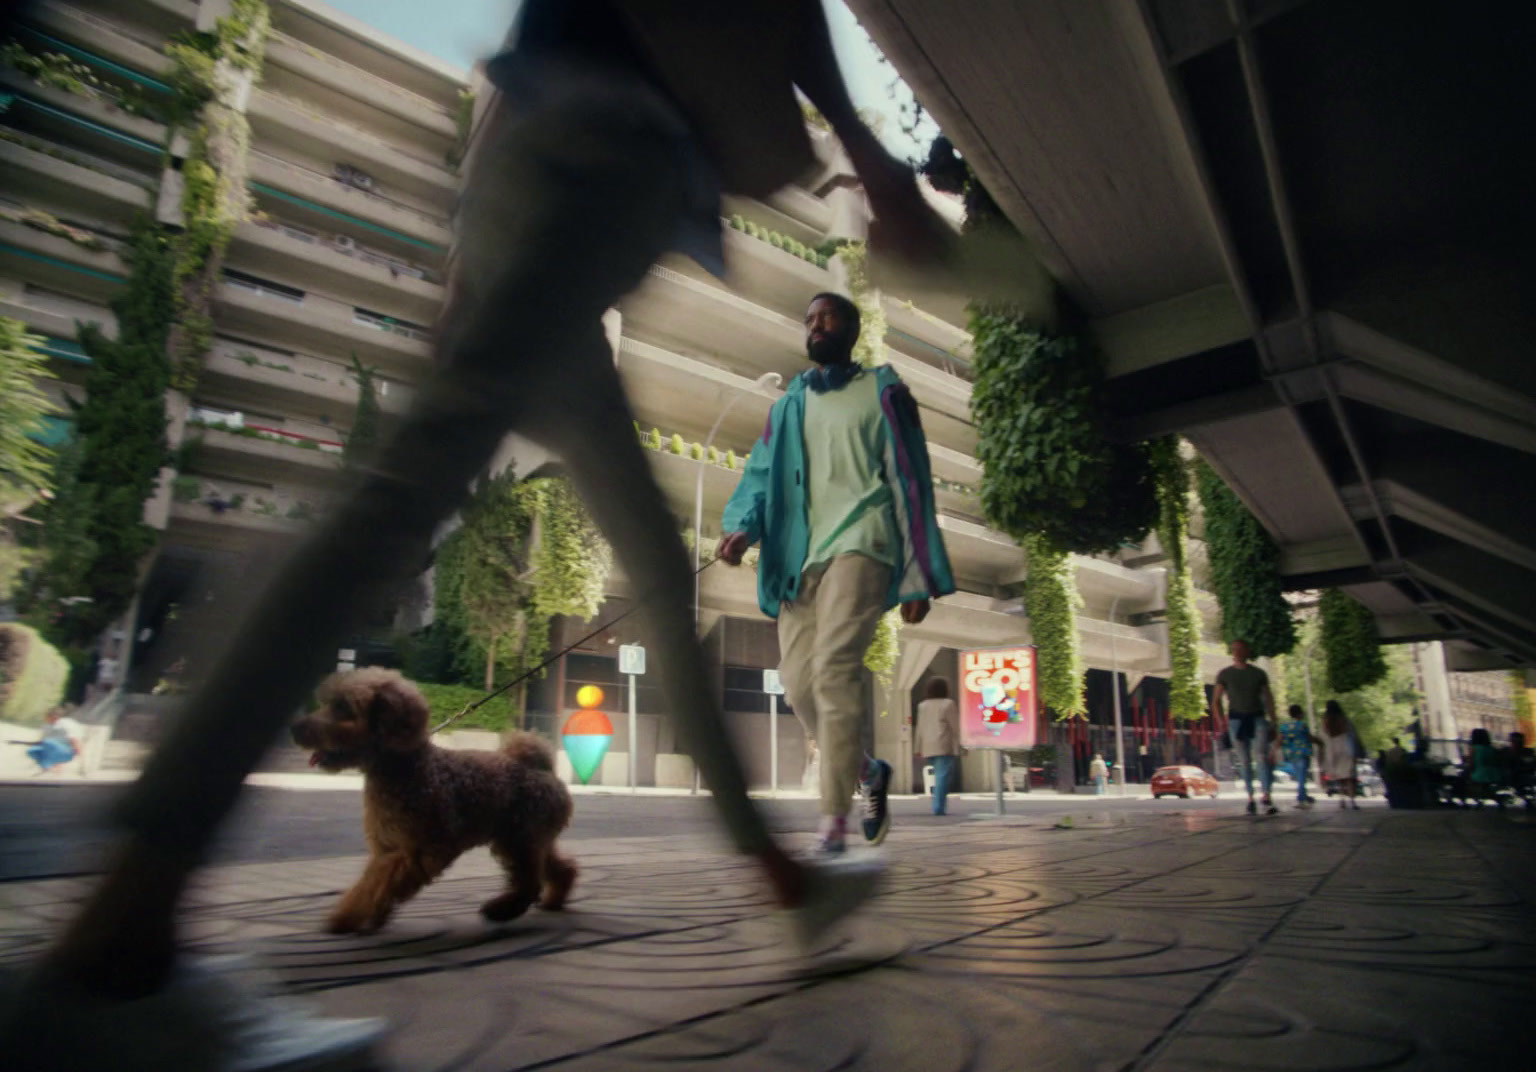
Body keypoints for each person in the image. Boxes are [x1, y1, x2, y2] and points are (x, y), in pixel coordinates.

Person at [0, 2, 966, 1066]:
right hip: (610, 157)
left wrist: (468, 263)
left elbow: (522, 55)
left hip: (544, 162)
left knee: (641, 553)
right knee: (397, 496)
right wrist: (875, 164)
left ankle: (786, 881)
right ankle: (116, 943)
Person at [721, 292, 956, 855]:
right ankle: (868, 771)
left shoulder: (884, 392)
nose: (816, 324)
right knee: (799, 684)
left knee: (833, 669)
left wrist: (920, 574)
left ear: (851, 328)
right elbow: (759, 478)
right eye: (808, 318)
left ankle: (833, 822)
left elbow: (909, 480)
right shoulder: (787, 406)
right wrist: (741, 528)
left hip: (864, 543)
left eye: (827, 315)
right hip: (799, 559)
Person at [1211, 639, 1278, 815]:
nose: (1238, 652)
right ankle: (1250, 797)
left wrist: (1274, 720)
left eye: (1241, 649)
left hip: (1257, 718)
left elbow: (1268, 697)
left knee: (1261, 757)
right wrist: (1221, 722)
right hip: (1236, 720)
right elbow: (1216, 700)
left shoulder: (1259, 674)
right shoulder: (1225, 674)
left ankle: (1266, 795)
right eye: (1235, 649)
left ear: (1248, 651)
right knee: (1244, 761)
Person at [915, 678, 961, 815]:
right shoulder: (948, 704)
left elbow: (920, 728)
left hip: (927, 745)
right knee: (942, 776)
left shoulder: (922, 705)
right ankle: (938, 807)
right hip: (943, 744)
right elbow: (955, 727)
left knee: (938, 775)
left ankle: (938, 805)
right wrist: (962, 745)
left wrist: (917, 748)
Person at [1275, 704, 1320, 808]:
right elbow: (1310, 738)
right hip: (1303, 753)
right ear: (1300, 714)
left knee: (1300, 776)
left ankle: (1304, 796)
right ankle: (1301, 798)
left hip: (1291, 754)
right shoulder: (1302, 725)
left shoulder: (1284, 727)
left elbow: (1279, 740)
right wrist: (1320, 742)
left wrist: (1274, 750)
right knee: (1302, 776)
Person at [1321, 699, 1361, 810]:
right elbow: (1352, 735)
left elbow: (1324, 736)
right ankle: (1353, 801)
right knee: (1349, 776)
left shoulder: (1326, 721)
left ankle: (1342, 800)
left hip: (1333, 748)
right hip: (1346, 747)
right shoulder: (1344, 719)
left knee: (1340, 778)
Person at [27, 706, 84, 775]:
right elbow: (43, 740)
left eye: (47, 716)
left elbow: (75, 740)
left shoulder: (65, 724)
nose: (44, 718)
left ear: (54, 717)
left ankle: (56, 769)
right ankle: (49, 768)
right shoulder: (47, 726)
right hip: (57, 747)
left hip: (66, 749)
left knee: (51, 745)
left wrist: (81, 762)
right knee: (35, 750)